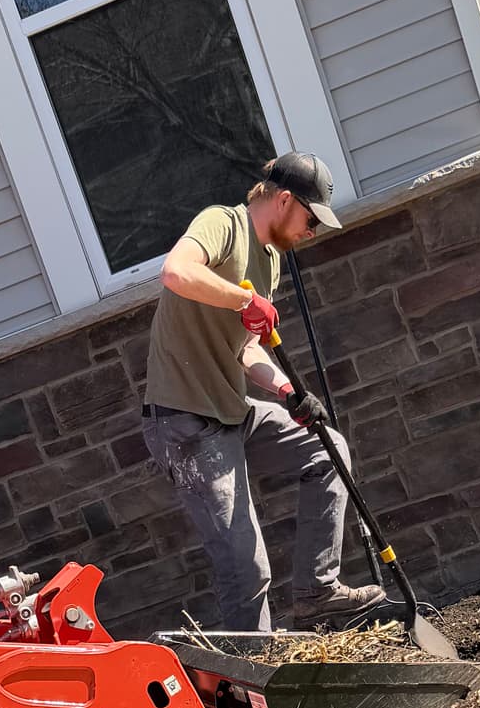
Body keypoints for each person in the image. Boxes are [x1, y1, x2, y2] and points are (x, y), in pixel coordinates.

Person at [140, 152, 390, 633]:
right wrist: (242, 298)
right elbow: (175, 271)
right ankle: (257, 689)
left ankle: (317, 592)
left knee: (327, 449)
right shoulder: (223, 224)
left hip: (231, 407)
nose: (312, 231)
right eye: (310, 219)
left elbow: (247, 349)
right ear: (283, 200)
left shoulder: (270, 260)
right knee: (246, 566)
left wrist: (287, 390)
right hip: (185, 421)